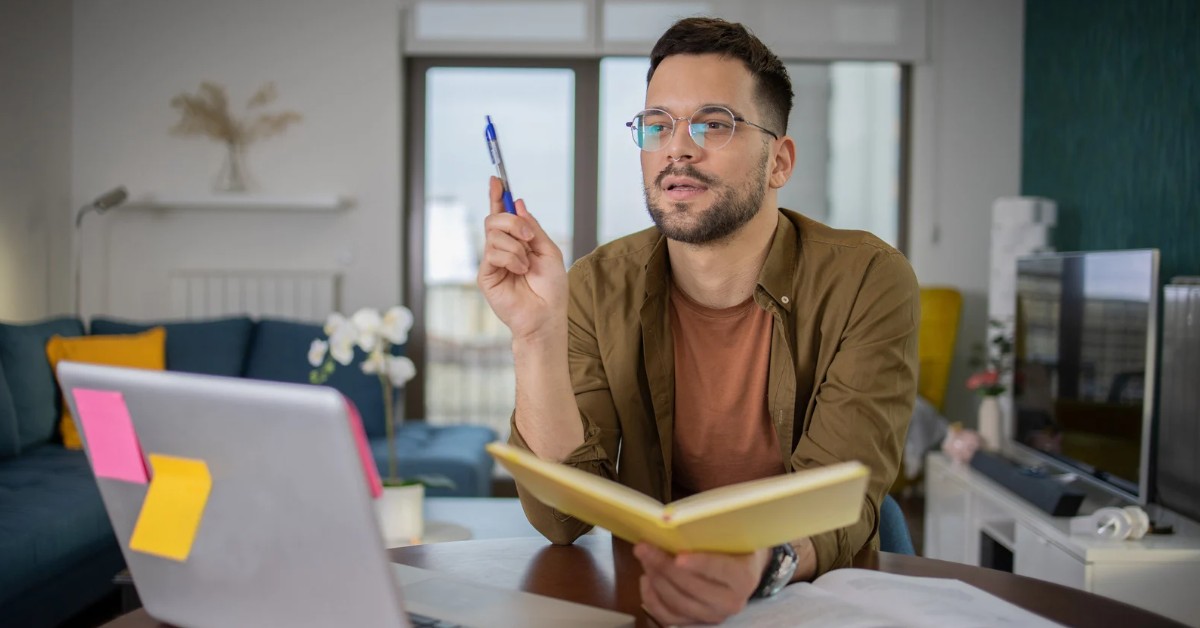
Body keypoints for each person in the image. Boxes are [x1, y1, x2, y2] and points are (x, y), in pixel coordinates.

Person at [477, 16, 918, 625]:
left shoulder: (868, 278)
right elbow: (561, 517)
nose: (677, 147)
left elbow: (845, 495)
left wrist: (757, 567)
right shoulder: (595, 286)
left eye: (714, 123)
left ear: (779, 162)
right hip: (658, 595)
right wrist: (534, 335)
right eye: (657, 125)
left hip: (811, 596)